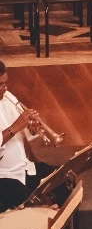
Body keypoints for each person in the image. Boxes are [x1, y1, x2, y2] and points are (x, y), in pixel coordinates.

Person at [0, 62, 56, 211]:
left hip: (25, 168)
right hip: (4, 177)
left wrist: (31, 127)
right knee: (36, 208)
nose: (4, 89)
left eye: (6, 84)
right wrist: (16, 126)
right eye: (0, 85)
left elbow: (23, 129)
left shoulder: (8, 97)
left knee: (65, 179)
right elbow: (15, 127)